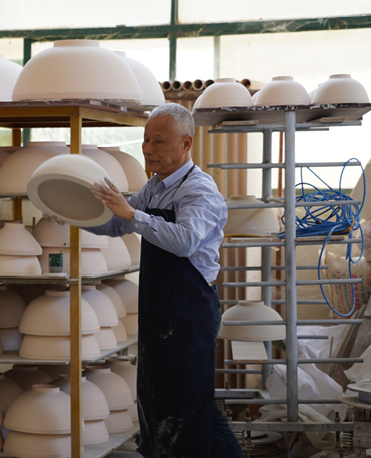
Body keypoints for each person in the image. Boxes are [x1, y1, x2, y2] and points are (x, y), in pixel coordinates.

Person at [85, 103, 243, 458]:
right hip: (159, 311)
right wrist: (73, 213)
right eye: (145, 140)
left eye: (158, 141)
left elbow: (185, 240)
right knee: (161, 399)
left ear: (186, 143)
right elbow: (118, 224)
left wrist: (132, 212)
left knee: (189, 404)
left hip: (189, 313)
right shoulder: (155, 187)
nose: (147, 149)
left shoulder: (199, 190)